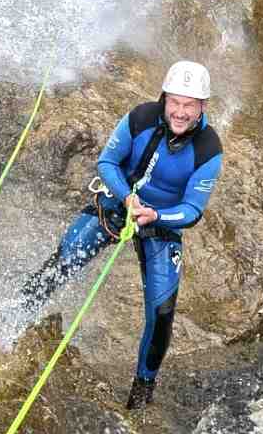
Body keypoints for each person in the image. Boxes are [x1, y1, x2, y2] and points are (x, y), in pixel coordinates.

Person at [20, 61, 224, 410]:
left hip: (160, 224)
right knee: (62, 262)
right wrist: (128, 198)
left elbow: (192, 210)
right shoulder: (141, 118)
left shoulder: (208, 150)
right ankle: (13, 319)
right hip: (118, 205)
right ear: (164, 98)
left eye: (189, 105)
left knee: (162, 313)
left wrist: (155, 214)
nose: (180, 111)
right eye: (174, 102)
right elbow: (107, 163)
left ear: (202, 107)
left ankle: (141, 394)